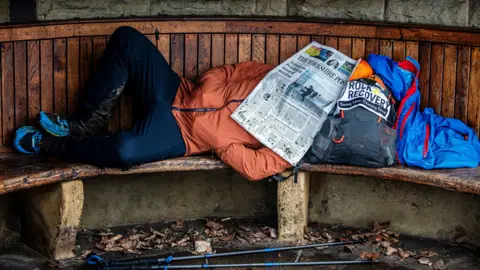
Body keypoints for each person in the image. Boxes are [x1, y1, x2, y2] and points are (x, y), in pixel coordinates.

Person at [13, 26, 291, 181]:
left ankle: (55, 146)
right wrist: (209, 82)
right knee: (127, 40)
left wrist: (222, 144)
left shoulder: (295, 137)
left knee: (125, 151)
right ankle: (86, 124)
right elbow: (234, 71)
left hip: (182, 135)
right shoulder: (276, 75)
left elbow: (258, 167)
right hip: (175, 90)